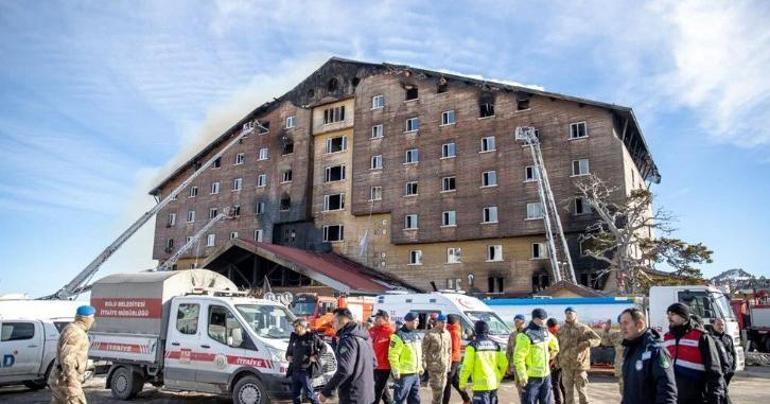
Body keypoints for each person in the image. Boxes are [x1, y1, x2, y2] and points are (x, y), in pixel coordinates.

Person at [663, 303, 725, 404]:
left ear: (684, 317)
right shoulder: (667, 337)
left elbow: (714, 371)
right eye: (668, 314)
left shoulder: (701, 337)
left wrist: (715, 397)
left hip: (696, 396)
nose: (669, 317)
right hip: (673, 397)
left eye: (673, 314)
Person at [619, 307, 677, 404]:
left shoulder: (656, 350)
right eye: (621, 324)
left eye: (626, 323)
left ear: (640, 324)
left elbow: (667, 390)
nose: (622, 328)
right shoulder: (630, 348)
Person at [319, 308, 375, 404]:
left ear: (344, 320)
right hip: (367, 394)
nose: (333, 325)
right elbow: (374, 363)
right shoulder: (365, 336)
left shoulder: (348, 339)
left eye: (334, 321)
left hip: (353, 396)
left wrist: (326, 392)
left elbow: (345, 370)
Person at [48, 305, 96, 404]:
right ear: (86, 319)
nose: (93, 320)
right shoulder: (75, 333)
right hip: (66, 382)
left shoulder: (73, 329)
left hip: (62, 380)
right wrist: (72, 382)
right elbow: (67, 360)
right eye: (92, 317)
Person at [513, 308, 559, 404]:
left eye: (544, 319)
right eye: (539, 319)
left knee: (547, 402)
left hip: (546, 375)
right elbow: (518, 358)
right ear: (534, 319)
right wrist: (522, 376)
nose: (542, 321)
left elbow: (555, 346)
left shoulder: (546, 332)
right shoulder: (524, 335)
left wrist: (552, 355)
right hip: (531, 378)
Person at [557, 307, 601, 404]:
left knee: (582, 391)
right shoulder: (560, 330)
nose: (569, 315)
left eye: (571, 313)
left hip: (579, 365)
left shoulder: (583, 328)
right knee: (568, 392)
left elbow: (597, 340)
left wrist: (588, 343)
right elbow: (557, 347)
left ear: (575, 314)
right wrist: (557, 362)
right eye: (567, 313)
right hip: (566, 366)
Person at [459, 320, 508, 404]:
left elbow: (467, 367)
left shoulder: (472, 346)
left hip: (480, 387)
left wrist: (462, 383)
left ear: (475, 331)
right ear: (487, 330)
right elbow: (504, 364)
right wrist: (499, 376)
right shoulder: (496, 345)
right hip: (493, 384)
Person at [286, 318, 326, 404]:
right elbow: (288, 350)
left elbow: (324, 347)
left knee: (309, 395)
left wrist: (315, 357)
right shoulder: (293, 336)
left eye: (296, 326)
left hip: (306, 371)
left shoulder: (312, 337)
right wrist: (288, 356)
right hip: (295, 370)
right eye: (294, 327)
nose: (295, 329)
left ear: (302, 326)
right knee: (295, 395)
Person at [389, 312, 424, 404]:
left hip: (415, 374)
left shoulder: (415, 335)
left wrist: (420, 367)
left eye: (418, 321)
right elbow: (393, 355)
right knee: (399, 400)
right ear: (408, 321)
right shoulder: (398, 335)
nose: (418, 323)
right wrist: (396, 371)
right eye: (416, 321)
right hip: (404, 374)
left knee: (415, 400)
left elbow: (418, 354)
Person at [422, 314, 452, 404]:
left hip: (444, 367)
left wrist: (449, 364)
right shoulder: (430, 334)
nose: (444, 324)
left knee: (442, 388)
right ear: (437, 322)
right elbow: (424, 350)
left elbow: (449, 350)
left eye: (445, 322)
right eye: (442, 322)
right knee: (437, 389)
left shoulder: (447, 334)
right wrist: (423, 364)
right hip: (434, 367)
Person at [442, 314, 471, 404]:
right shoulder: (453, 329)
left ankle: (445, 402)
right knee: (455, 381)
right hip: (455, 358)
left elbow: (453, 348)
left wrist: (448, 360)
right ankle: (467, 399)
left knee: (448, 382)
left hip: (453, 359)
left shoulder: (453, 331)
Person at [369, 310, 395, 404]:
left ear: (386, 319)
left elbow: (395, 350)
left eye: (378, 318)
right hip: (372, 365)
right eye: (375, 318)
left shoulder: (391, 332)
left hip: (384, 366)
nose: (375, 320)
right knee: (383, 390)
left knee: (377, 390)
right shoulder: (371, 330)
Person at [710, 318, 736, 404]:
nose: (721, 326)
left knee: (724, 390)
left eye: (722, 325)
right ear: (713, 326)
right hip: (719, 371)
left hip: (729, 371)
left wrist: (733, 367)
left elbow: (733, 353)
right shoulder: (711, 339)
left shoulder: (728, 338)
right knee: (723, 390)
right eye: (718, 324)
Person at [600, 318, 626, 396]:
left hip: (636, 369)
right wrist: (606, 330)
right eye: (621, 323)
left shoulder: (637, 335)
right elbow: (605, 342)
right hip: (621, 368)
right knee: (623, 391)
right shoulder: (616, 335)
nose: (623, 325)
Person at [547, 318, 566, 404]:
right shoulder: (561, 333)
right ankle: (566, 401)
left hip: (556, 362)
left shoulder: (549, 334)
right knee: (561, 384)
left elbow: (556, 349)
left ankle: (558, 402)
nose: (553, 329)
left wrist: (552, 361)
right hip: (561, 361)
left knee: (555, 383)